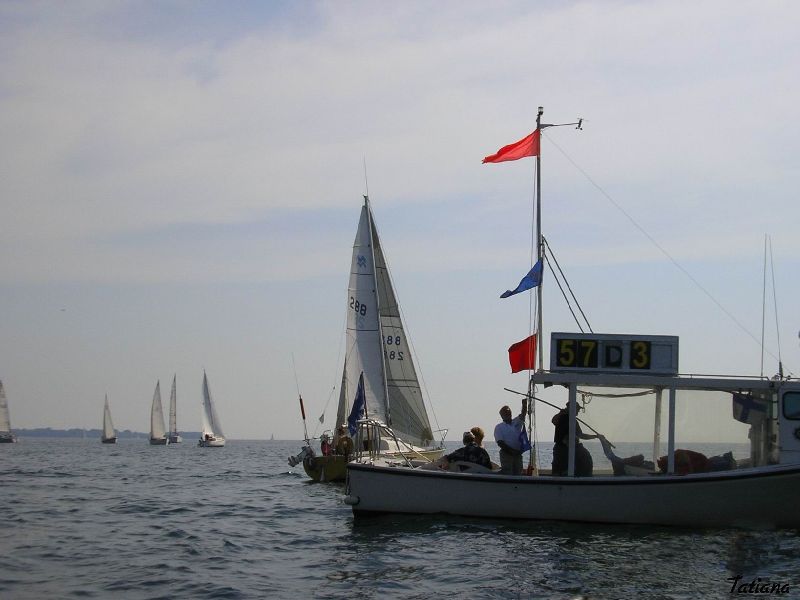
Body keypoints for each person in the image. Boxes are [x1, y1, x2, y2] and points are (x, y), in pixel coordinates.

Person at [551, 402, 598, 476]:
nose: (578, 411)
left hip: (572, 448)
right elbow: (554, 421)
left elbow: (581, 435)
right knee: (559, 469)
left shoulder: (574, 421)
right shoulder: (562, 417)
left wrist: (596, 436)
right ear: (571, 409)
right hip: (561, 449)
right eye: (577, 409)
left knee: (585, 458)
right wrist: (561, 413)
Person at [493, 399, 528, 475]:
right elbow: (500, 443)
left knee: (518, 473)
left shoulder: (516, 422)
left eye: (509, 412)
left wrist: (524, 405)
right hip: (506, 454)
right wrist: (512, 451)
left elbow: (523, 414)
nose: (508, 414)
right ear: (501, 415)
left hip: (518, 454)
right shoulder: (499, 427)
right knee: (508, 473)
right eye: (505, 413)